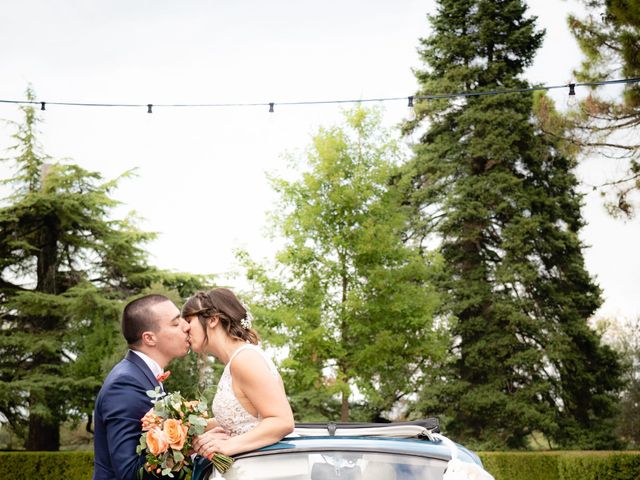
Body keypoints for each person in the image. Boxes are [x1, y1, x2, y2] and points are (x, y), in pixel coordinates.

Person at [93, 294, 221, 480]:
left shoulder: (143, 376)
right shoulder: (124, 384)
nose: (187, 326)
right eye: (176, 323)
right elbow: (130, 473)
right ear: (149, 338)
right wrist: (188, 442)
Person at [183, 288, 295, 461]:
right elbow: (242, 420)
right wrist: (183, 428)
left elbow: (282, 421)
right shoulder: (237, 361)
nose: (184, 328)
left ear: (213, 320)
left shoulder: (245, 359)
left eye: (188, 320)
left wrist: (227, 445)